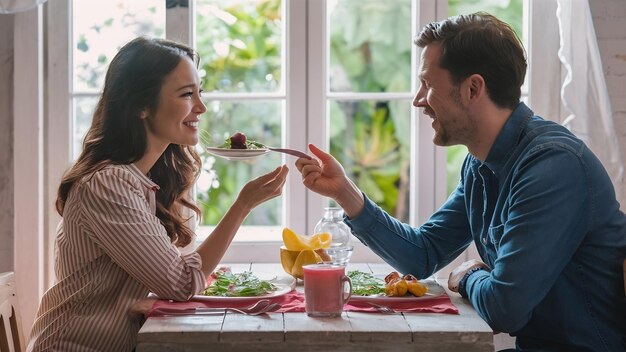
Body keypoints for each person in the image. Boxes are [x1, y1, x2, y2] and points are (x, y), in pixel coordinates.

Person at [295, 12, 626, 351]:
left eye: (428, 85)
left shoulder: (553, 167)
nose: (418, 100)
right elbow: (424, 254)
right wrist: (345, 193)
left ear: (472, 89)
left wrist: (468, 275)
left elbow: (505, 309)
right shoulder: (480, 165)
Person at [27, 37, 289, 352]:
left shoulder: (139, 179)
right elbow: (180, 284)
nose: (201, 107)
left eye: (199, 92)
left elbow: (168, 276)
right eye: (186, 94)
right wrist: (243, 205)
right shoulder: (108, 185)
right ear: (141, 106)